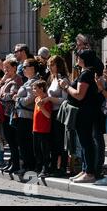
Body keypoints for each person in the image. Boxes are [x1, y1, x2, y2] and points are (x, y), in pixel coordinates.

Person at [60, 49, 98, 183]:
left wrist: (66, 86)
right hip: (84, 112)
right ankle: (85, 169)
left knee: (86, 142)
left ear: (84, 60)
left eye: (79, 57)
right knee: (83, 142)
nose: (77, 58)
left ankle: (89, 172)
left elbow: (79, 95)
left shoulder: (86, 74)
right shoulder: (86, 73)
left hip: (84, 112)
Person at [42, 55, 70, 177]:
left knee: (60, 141)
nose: (50, 67)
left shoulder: (63, 79)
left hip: (60, 113)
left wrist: (49, 98)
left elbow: (64, 99)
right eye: (48, 65)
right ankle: (53, 166)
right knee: (52, 141)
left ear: (58, 65)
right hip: (51, 113)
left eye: (52, 65)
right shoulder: (51, 78)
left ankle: (62, 167)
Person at [12, 58, 40, 175]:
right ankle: (26, 165)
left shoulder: (34, 82)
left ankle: (29, 166)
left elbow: (29, 99)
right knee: (22, 142)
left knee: (26, 142)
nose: (23, 69)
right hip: (21, 115)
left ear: (33, 68)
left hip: (27, 116)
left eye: (25, 66)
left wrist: (17, 99)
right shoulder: (28, 81)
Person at [0, 59, 23, 174]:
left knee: (13, 140)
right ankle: (12, 162)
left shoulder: (17, 79)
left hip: (12, 113)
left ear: (14, 67)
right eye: (4, 67)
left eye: (7, 67)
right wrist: (2, 81)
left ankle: (16, 164)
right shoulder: (7, 79)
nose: (5, 70)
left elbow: (12, 95)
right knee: (9, 139)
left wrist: (2, 96)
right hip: (4, 113)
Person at [32, 80, 53, 178]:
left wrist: (42, 107)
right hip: (35, 129)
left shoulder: (46, 100)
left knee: (44, 150)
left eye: (35, 88)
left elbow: (48, 115)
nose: (33, 90)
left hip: (44, 130)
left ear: (41, 88)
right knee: (37, 150)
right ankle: (39, 167)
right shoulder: (37, 99)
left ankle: (46, 169)